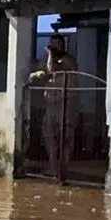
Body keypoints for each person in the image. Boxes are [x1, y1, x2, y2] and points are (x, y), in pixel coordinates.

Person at [29, 33, 79, 179]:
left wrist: (50, 54)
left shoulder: (69, 60)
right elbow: (38, 74)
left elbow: (52, 70)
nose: (53, 47)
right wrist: (37, 74)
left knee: (66, 136)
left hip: (66, 103)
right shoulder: (46, 60)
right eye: (51, 44)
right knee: (49, 135)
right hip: (50, 103)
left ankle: (64, 168)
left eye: (56, 44)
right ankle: (52, 166)